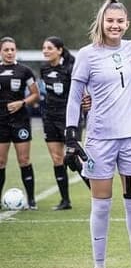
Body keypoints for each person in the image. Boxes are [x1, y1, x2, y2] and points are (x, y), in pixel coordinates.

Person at [65, 0, 131, 268]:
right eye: (110, 21)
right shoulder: (87, 54)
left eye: (120, 21)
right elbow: (75, 95)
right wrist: (71, 133)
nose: (115, 25)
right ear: (102, 22)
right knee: (101, 205)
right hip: (100, 140)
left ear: (127, 24)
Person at [40, 36, 85, 210]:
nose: (45, 51)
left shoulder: (70, 69)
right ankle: (65, 200)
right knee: (57, 158)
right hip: (49, 118)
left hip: (68, 118)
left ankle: (96, 193)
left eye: (49, 48)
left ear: (59, 50)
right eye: (44, 48)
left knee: (73, 157)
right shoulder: (44, 69)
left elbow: (78, 93)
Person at [0, 36, 41, 209]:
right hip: (1, 121)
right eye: (6, 49)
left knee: (24, 160)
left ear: (15, 50)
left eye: (12, 49)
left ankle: (31, 200)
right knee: (1, 162)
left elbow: (35, 94)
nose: (9, 52)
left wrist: (22, 103)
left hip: (20, 121)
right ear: (1, 51)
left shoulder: (24, 71)